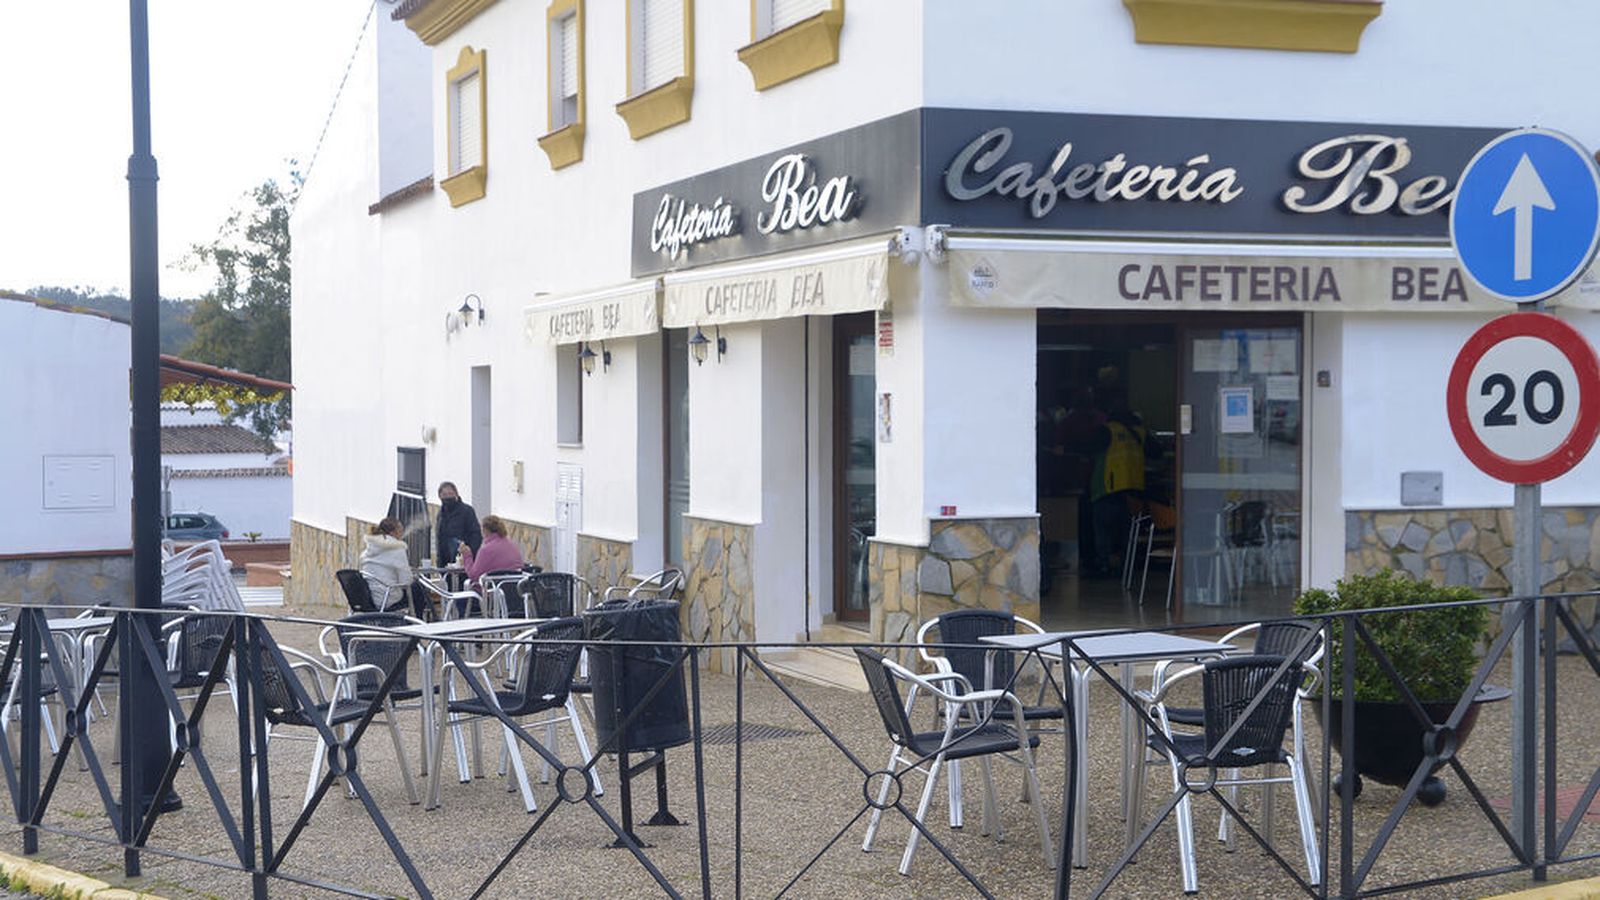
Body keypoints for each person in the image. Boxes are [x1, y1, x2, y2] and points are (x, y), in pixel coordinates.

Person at [1088, 400, 1154, 577]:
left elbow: (1088, 448)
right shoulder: (1140, 432)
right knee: (1127, 533)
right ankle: (1126, 567)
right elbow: (1157, 452)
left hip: (1108, 489)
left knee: (1104, 530)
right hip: (1134, 490)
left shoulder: (1107, 430)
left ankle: (1105, 565)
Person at [458, 515, 524, 617]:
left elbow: (474, 576)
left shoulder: (486, 550)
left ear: (484, 530)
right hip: (515, 595)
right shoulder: (512, 545)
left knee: (460, 601)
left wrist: (467, 556)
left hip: (493, 597)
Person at [358, 518, 413, 613]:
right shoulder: (397, 548)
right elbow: (406, 581)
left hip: (368, 597)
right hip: (387, 597)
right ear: (393, 533)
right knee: (418, 590)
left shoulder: (369, 549)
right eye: (401, 531)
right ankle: (418, 620)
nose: (402, 534)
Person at [435, 481, 482, 566]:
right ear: (440, 496)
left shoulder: (467, 511)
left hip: (463, 560)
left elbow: (476, 535)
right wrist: (439, 562)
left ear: (456, 494)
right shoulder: (440, 514)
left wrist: (469, 554)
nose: (448, 497)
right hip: (445, 561)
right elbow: (439, 539)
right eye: (444, 494)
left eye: (450, 493)